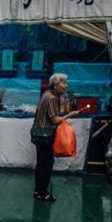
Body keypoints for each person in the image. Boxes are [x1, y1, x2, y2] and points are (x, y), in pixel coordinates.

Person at [31, 73, 80, 202]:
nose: (66, 85)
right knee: (45, 165)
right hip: (45, 135)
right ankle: (42, 193)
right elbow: (55, 120)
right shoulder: (51, 98)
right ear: (56, 84)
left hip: (38, 133)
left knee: (41, 164)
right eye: (63, 83)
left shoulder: (47, 94)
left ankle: (38, 190)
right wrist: (70, 115)